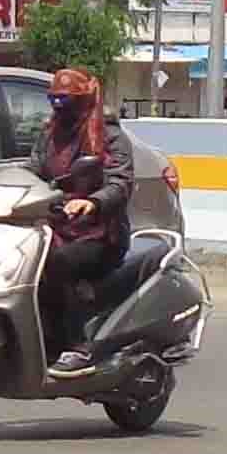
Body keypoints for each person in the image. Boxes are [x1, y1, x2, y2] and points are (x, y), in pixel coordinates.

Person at [34, 67, 136, 371]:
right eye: (54, 99)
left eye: (65, 100)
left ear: (83, 100)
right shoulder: (49, 133)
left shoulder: (110, 135)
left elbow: (120, 183)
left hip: (101, 234)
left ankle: (78, 345)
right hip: (57, 226)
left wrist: (92, 202)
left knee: (60, 263)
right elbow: (33, 169)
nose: (58, 107)